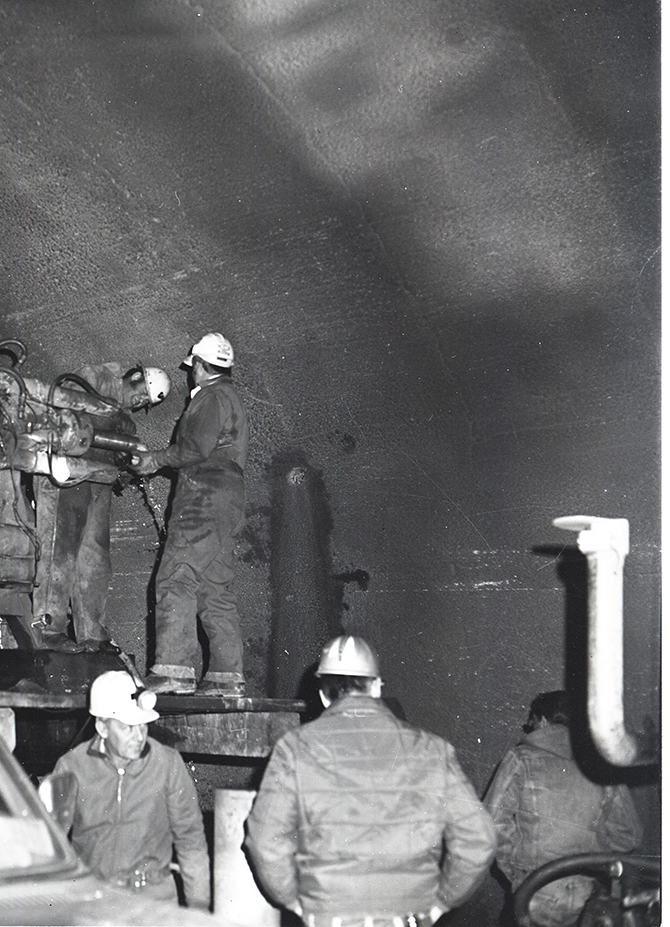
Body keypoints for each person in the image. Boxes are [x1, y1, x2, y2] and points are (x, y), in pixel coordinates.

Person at [245, 635, 496, 926]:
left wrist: (291, 900)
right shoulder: (432, 749)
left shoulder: (294, 747)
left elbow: (265, 841)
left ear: (324, 694)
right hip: (410, 917)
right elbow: (479, 840)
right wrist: (442, 902)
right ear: (376, 687)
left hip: (329, 915)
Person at [130, 332, 248, 696]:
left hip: (204, 496)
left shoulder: (210, 398)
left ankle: (173, 669)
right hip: (229, 499)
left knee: (175, 576)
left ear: (198, 366)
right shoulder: (232, 399)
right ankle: (227, 677)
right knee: (214, 587)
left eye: (191, 366)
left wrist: (154, 460)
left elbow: (194, 448)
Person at [44, 670, 210, 909]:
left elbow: (191, 839)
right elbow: (50, 842)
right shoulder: (72, 767)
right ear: (102, 727)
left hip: (154, 902)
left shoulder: (167, 763)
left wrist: (199, 909)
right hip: (94, 901)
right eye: (127, 728)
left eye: (143, 726)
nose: (139, 736)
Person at [32, 362, 170, 649]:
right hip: (66, 473)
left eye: (146, 402)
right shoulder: (96, 377)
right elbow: (64, 406)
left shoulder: (124, 420)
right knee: (61, 546)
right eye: (143, 393)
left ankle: (92, 633)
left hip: (98, 479)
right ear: (135, 377)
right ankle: (47, 626)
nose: (140, 401)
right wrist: (115, 421)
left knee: (95, 557)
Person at [482, 690, 642, 927]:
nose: (530, 730)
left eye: (531, 724)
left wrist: (519, 870)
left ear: (544, 720)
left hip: (536, 892)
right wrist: (591, 855)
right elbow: (629, 835)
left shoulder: (521, 758)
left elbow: (488, 825)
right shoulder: (601, 766)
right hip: (590, 896)